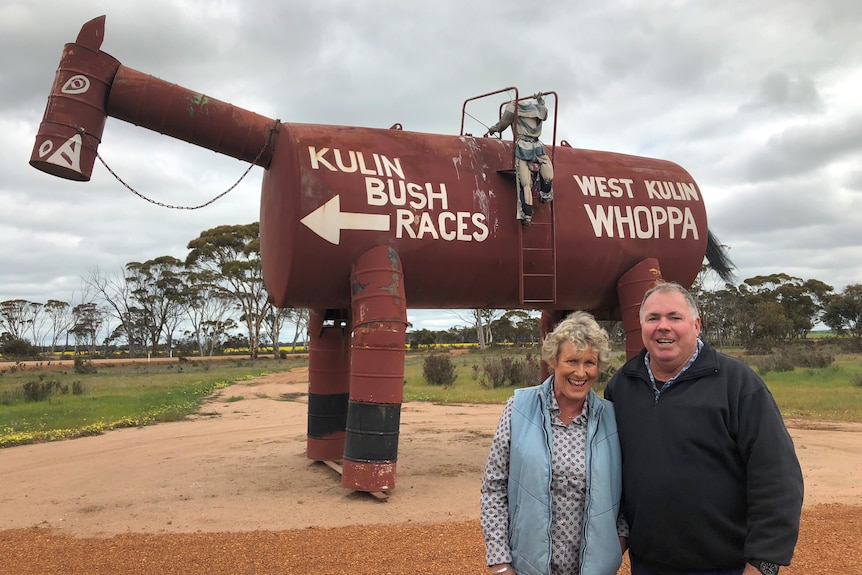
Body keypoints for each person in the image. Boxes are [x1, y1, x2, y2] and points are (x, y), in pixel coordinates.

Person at [604, 281, 804, 575]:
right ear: (641, 326)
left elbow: (777, 476)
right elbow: (610, 476)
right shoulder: (621, 387)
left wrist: (764, 562)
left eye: (675, 317)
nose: (663, 327)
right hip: (648, 564)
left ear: (696, 325)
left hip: (726, 566)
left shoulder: (737, 384)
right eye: (653, 318)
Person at [481, 311, 628, 575]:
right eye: (571, 360)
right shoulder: (519, 408)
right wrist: (500, 564)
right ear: (553, 361)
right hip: (527, 567)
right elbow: (494, 487)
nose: (580, 373)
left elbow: (628, 498)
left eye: (590, 363)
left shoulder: (612, 419)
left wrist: (614, 548)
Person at [486, 92, 554, 226]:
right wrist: (540, 100)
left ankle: (526, 213)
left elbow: (503, 124)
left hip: (523, 146)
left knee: (525, 183)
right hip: (537, 145)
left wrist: (494, 129)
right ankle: (546, 194)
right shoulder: (539, 110)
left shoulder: (513, 107)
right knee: (546, 166)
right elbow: (544, 112)